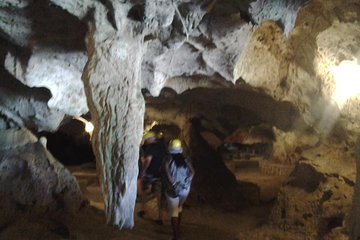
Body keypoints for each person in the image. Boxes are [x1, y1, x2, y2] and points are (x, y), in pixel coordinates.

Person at [162, 139, 195, 240]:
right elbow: (192, 172)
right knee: (179, 207)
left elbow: (167, 174)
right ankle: (178, 229)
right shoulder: (185, 159)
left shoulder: (167, 159)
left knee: (173, 212)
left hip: (173, 189)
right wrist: (186, 182)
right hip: (185, 189)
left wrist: (173, 184)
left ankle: (176, 236)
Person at [137, 131, 167, 224]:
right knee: (159, 196)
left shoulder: (150, 148)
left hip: (150, 174)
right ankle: (160, 217)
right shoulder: (163, 147)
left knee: (142, 190)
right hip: (160, 174)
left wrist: (142, 172)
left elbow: (147, 161)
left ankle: (143, 210)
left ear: (149, 140)